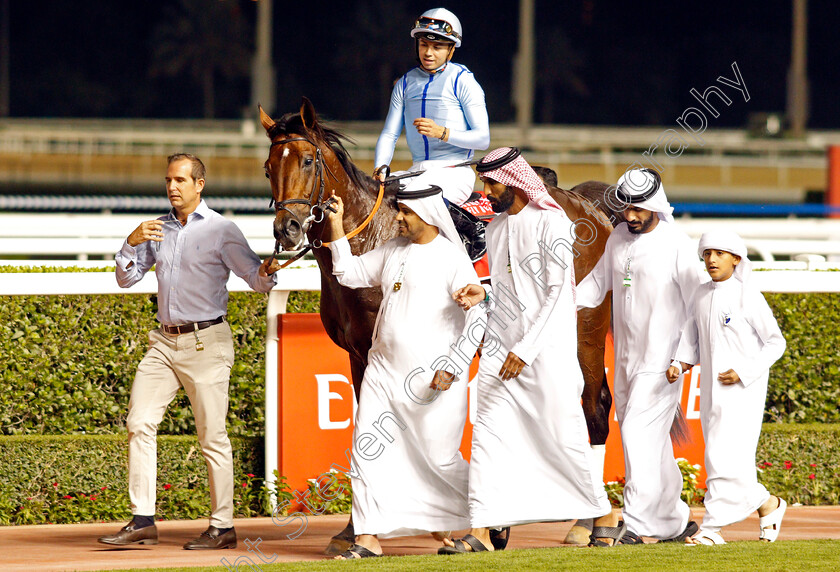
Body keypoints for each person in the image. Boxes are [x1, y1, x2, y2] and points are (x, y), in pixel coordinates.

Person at [444, 147, 622, 554]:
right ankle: (484, 529)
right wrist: (483, 293)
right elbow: (508, 290)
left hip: (546, 352)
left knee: (564, 437)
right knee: (488, 433)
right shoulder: (495, 228)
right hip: (499, 349)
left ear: (514, 179)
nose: (485, 192)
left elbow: (558, 294)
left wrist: (525, 348)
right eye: (483, 183)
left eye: (491, 183)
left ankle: (604, 513)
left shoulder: (552, 223)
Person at [98, 153, 279, 550]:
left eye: (181, 180)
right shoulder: (157, 229)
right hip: (163, 343)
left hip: (206, 342)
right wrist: (130, 242)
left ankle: (223, 526)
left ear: (200, 184)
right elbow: (126, 279)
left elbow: (257, 280)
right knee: (139, 422)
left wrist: (267, 270)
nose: (172, 187)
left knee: (212, 437)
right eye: (168, 180)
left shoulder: (222, 230)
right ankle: (143, 519)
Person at [327, 174, 487, 559]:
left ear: (429, 215)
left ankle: (488, 515)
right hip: (383, 371)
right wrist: (335, 227)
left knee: (438, 459)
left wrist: (454, 364)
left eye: (405, 211)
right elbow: (347, 274)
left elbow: (477, 318)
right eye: (399, 209)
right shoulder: (393, 250)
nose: (398, 217)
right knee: (367, 450)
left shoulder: (451, 258)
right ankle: (367, 538)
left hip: (434, 380)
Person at [576, 168, 703, 544]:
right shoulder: (617, 237)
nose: (629, 216)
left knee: (635, 434)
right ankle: (674, 521)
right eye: (626, 208)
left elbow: (699, 306)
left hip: (664, 363)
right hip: (628, 360)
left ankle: (638, 524)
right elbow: (596, 285)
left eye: (637, 210)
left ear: (654, 205)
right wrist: (555, 311)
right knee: (653, 442)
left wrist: (684, 358)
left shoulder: (677, 244)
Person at [668, 230, 787, 545]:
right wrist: (679, 364)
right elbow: (691, 338)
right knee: (721, 456)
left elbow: (776, 343)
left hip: (743, 392)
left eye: (720, 253)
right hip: (711, 390)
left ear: (737, 259)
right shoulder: (701, 294)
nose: (712, 259)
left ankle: (712, 528)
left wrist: (743, 372)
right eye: (707, 253)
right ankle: (768, 505)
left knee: (722, 456)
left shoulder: (747, 295)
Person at [373, 7, 490, 206]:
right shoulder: (404, 83)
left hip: (455, 173)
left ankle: (466, 235)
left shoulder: (463, 81)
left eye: (437, 47)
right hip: (417, 171)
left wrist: (441, 132)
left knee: (416, 201)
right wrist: (381, 167)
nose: (428, 53)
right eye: (424, 44)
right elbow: (389, 134)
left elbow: (483, 139)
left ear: (451, 49)